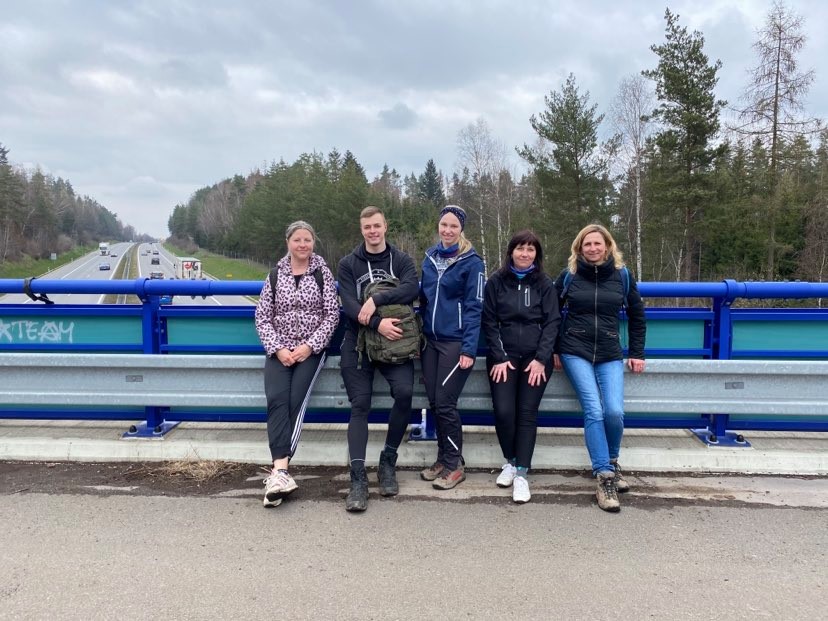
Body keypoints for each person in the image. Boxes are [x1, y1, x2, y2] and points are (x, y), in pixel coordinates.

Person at [553, 223, 646, 512]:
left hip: (609, 351)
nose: (592, 248)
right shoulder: (569, 275)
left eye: (597, 243)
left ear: (607, 246)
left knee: (614, 412)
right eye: (587, 244)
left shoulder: (622, 275)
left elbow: (637, 315)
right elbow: (551, 313)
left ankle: (613, 462)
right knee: (593, 409)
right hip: (574, 350)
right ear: (579, 248)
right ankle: (604, 476)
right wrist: (554, 349)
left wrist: (637, 352)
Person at [337, 206, 419, 512]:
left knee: (405, 393)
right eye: (367, 227)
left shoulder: (401, 260)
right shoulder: (348, 263)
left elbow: (411, 289)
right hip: (358, 341)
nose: (372, 231)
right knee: (360, 404)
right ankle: (358, 478)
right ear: (362, 230)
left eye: (377, 226)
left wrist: (377, 299)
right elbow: (348, 304)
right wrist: (376, 323)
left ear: (385, 227)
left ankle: (388, 461)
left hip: (395, 342)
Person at [254, 220, 340, 508]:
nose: (303, 245)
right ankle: (281, 474)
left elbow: (332, 315)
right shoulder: (275, 274)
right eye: (297, 240)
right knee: (276, 399)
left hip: (311, 351)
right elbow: (262, 317)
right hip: (279, 350)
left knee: (294, 402)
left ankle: (279, 472)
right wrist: (278, 349)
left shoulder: (322, 273)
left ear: (313, 242)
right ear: (288, 243)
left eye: (307, 240)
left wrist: (309, 347)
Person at [482, 230, 560, 503]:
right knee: (504, 411)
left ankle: (522, 475)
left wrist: (541, 358)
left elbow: (552, 322)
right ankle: (511, 462)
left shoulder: (544, 284)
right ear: (511, 251)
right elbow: (489, 321)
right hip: (503, 357)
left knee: (526, 412)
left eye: (530, 249)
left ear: (536, 254)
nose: (525, 254)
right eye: (520, 248)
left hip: (535, 358)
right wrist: (499, 356)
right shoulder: (496, 281)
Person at [419, 205, 485, 490]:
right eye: (444, 225)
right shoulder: (429, 258)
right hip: (430, 341)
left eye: (453, 226)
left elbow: (474, 307)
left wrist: (468, 349)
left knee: (445, 403)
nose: (447, 230)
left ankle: (455, 464)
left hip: (455, 342)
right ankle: (443, 459)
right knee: (435, 402)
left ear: (461, 230)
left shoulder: (472, 262)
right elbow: (423, 300)